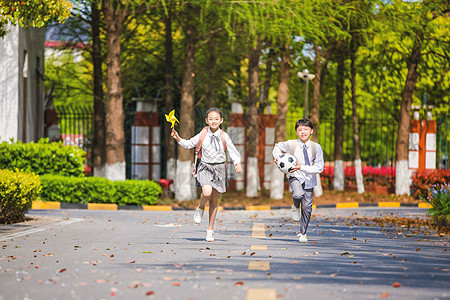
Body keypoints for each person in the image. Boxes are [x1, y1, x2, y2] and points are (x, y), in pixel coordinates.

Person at [171, 108, 242, 242]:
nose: (213, 121)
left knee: (214, 202)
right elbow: (189, 144)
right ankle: (201, 207)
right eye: (211, 119)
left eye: (216, 119)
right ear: (206, 121)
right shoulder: (203, 134)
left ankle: (210, 230)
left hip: (220, 168)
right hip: (205, 167)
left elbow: (233, 151)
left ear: (221, 120)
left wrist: (237, 163)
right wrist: (178, 138)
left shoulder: (224, 136)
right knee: (207, 192)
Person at [272, 118, 324, 243]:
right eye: (300, 130)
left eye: (306, 129)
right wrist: (278, 157)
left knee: (307, 208)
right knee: (298, 194)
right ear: (296, 132)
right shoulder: (292, 144)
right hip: (295, 175)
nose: (303, 132)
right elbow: (277, 146)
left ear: (311, 131)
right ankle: (295, 206)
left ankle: (303, 233)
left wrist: (303, 167)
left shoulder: (316, 148)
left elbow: (319, 167)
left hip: (309, 178)